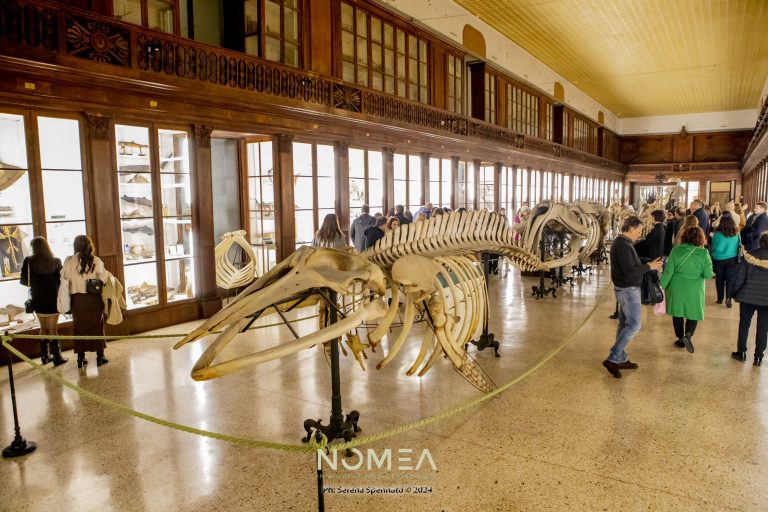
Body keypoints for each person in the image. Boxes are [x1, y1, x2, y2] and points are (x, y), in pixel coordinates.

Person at [602, 216, 663, 378]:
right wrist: (648, 266)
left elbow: (632, 263)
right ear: (630, 229)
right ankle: (613, 358)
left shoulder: (625, 244)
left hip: (627, 289)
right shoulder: (622, 245)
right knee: (634, 325)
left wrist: (649, 262)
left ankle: (621, 357)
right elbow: (629, 272)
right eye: (639, 230)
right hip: (628, 289)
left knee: (624, 323)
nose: (641, 234)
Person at [660, 226, 713, 354]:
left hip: (676, 286)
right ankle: (688, 335)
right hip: (695, 289)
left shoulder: (676, 250)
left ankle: (680, 338)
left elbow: (668, 271)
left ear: (684, 237)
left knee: (677, 313)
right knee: (693, 313)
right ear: (701, 238)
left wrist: (661, 286)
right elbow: (708, 275)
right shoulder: (704, 253)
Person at [61, 235, 110, 368]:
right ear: (89, 246)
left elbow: (63, 277)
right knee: (97, 327)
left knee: (79, 328)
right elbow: (104, 279)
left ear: (75, 245)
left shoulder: (69, 261)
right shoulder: (95, 260)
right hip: (93, 299)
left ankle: (80, 357)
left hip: (77, 300)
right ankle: (100, 356)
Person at [20, 237, 67, 366]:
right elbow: (61, 280)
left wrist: (36, 283)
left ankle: (45, 356)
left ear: (33, 247)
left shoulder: (29, 261)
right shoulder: (56, 261)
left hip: (37, 298)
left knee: (43, 327)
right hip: (53, 298)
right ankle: (57, 357)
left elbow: (24, 281)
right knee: (52, 329)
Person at [731, 232, 768, 366]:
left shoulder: (751, 255)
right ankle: (758, 357)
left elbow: (740, 277)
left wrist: (734, 293)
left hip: (748, 297)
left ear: (761, 242)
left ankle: (741, 352)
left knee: (744, 324)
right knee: (764, 327)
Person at [710, 215, 740, 307]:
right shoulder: (736, 232)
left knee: (719, 279)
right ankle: (729, 298)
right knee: (730, 279)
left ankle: (720, 299)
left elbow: (714, 246)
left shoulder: (717, 233)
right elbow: (739, 244)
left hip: (719, 259)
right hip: (732, 259)